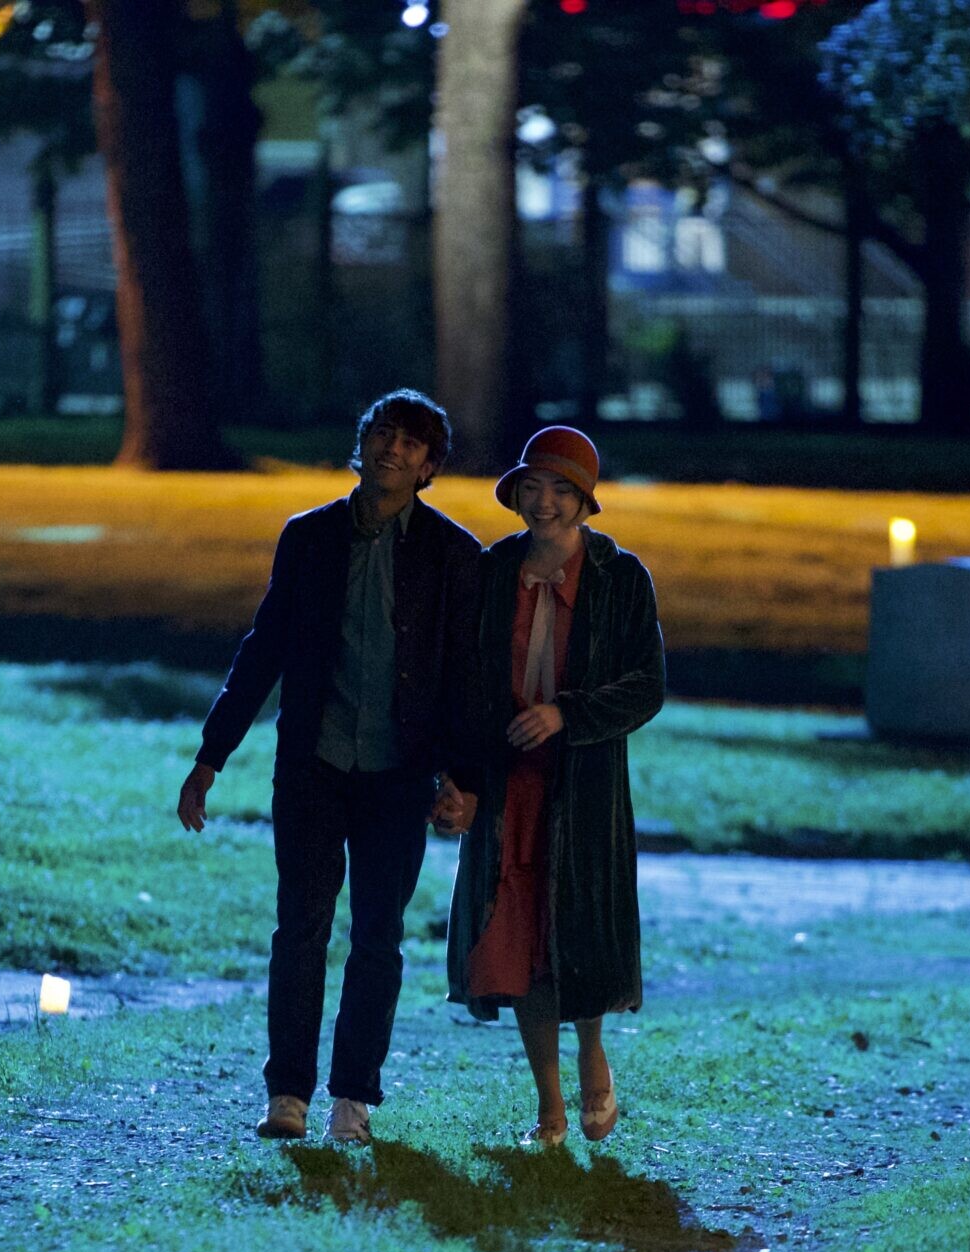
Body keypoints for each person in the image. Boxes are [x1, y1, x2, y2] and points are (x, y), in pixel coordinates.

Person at [179, 391, 483, 1144]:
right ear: (363, 440)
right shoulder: (309, 537)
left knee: (378, 935)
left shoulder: (452, 554)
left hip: (399, 772)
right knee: (301, 928)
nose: (393, 450)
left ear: (429, 466)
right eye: (383, 433)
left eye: (411, 443)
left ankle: (354, 1098)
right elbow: (264, 649)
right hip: (313, 765)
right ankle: (288, 1093)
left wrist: (463, 778)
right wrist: (211, 756)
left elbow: (464, 676)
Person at [446, 426, 665, 1149]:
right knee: (518, 938)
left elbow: (646, 686)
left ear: (584, 501)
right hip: (508, 784)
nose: (544, 503)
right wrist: (460, 780)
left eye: (561, 491)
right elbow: (467, 685)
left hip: (582, 786)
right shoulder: (492, 571)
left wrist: (567, 714)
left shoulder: (620, 578)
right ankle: (550, 1107)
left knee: (578, 923)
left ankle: (592, 1055)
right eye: (532, 488)